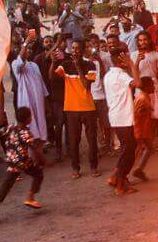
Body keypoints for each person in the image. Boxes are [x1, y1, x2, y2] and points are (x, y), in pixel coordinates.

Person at [0, 106, 44, 223]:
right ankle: (30, 198)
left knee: (8, 183)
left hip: (11, 160)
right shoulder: (26, 133)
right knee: (38, 173)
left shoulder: (11, 127)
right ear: (28, 119)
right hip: (23, 162)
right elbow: (34, 149)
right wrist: (41, 160)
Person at [55, 41, 100, 178]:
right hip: (71, 108)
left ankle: (93, 167)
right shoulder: (65, 64)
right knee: (74, 140)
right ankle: (76, 168)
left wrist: (78, 66)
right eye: (73, 48)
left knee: (92, 139)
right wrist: (52, 63)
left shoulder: (89, 65)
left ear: (82, 50)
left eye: (77, 48)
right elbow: (52, 77)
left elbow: (86, 85)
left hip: (87, 107)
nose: (75, 51)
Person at [103, 46, 138, 196]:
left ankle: (116, 177)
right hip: (124, 117)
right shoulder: (121, 76)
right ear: (120, 59)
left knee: (127, 149)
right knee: (129, 152)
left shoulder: (108, 75)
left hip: (116, 116)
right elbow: (138, 83)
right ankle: (120, 183)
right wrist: (132, 65)